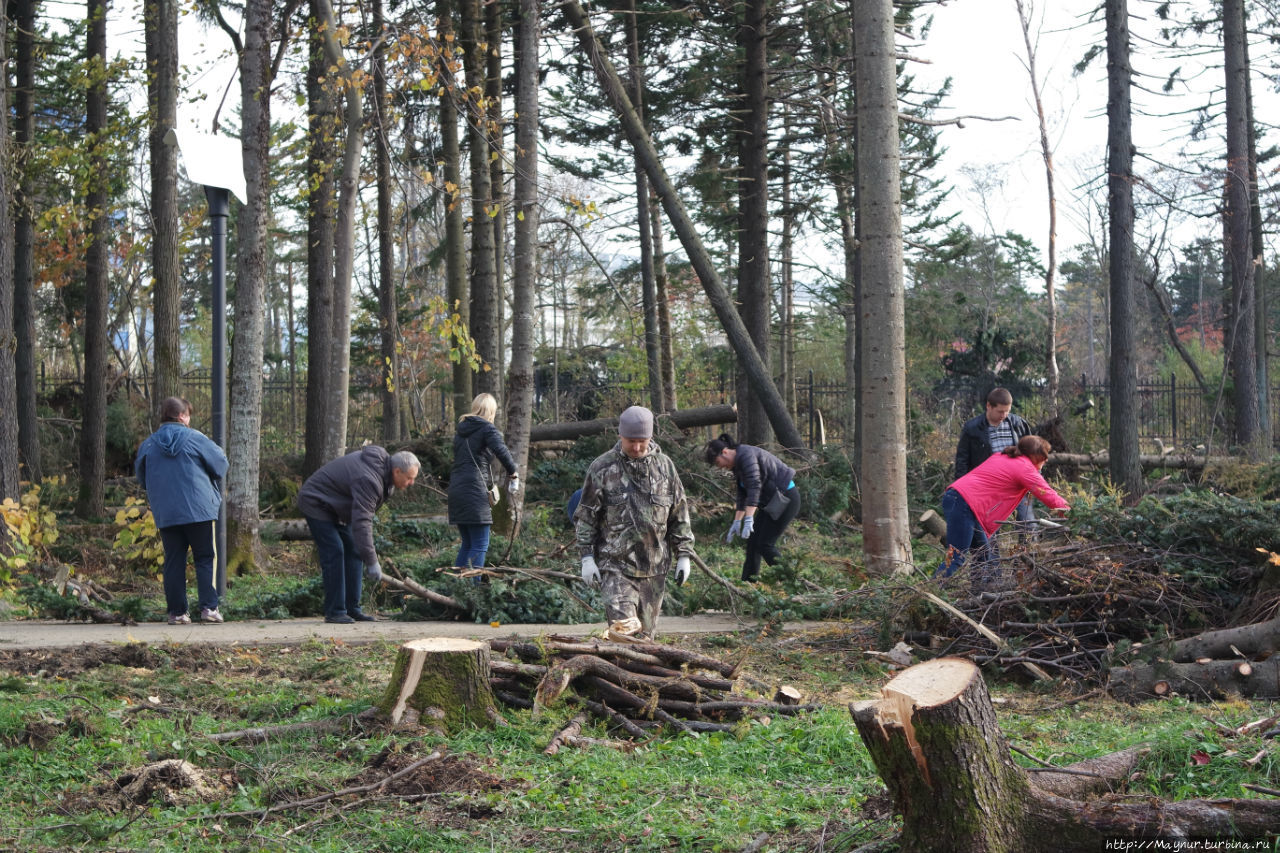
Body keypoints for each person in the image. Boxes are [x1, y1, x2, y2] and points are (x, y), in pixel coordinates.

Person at [574, 405, 694, 640]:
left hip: (654, 569)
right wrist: (587, 557)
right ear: (620, 435)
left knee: (645, 641)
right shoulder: (602, 468)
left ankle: (637, 677)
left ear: (651, 437)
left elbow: (679, 513)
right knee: (624, 635)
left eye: (643, 441)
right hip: (616, 567)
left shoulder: (665, 467)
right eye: (631, 441)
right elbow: (586, 516)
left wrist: (684, 555)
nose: (637, 447)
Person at [299, 446, 420, 624]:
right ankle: (335, 611)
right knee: (335, 551)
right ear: (397, 471)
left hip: (337, 507)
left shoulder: (384, 477)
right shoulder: (369, 479)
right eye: (409, 478)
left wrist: (367, 556)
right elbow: (363, 522)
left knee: (355, 550)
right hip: (316, 502)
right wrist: (372, 562)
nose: (411, 483)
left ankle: (352, 609)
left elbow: (361, 518)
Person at [135, 396, 229, 625]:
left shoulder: (148, 444)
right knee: (205, 557)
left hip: (167, 511)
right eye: (188, 414)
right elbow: (220, 464)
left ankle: (177, 613)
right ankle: (209, 608)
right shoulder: (196, 438)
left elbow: (142, 478)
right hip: (199, 509)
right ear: (181, 416)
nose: (189, 419)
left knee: (174, 560)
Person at [937, 434, 1069, 586]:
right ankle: (929, 594)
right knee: (957, 557)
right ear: (1034, 455)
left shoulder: (1002, 456)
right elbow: (1048, 494)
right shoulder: (1024, 468)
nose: (1046, 460)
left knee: (984, 555)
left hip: (960, 500)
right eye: (1044, 456)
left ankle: (979, 595)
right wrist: (1073, 513)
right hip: (964, 503)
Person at [704, 433, 801, 583]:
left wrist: (749, 519)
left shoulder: (746, 456)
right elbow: (743, 495)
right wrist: (737, 522)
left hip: (786, 499)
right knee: (753, 543)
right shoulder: (737, 465)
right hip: (772, 502)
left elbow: (755, 487)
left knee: (765, 544)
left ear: (724, 452)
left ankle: (791, 580)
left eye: (718, 462)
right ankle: (747, 584)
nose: (721, 467)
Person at [447, 393, 520, 574]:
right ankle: (472, 593)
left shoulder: (460, 432)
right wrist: (513, 472)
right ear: (491, 411)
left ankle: (458, 589)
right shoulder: (487, 429)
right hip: (474, 491)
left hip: (456, 491)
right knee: (480, 545)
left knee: (468, 544)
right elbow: (501, 450)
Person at [955, 387, 1037, 537]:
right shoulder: (972, 429)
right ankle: (990, 561)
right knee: (989, 532)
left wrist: (1033, 480)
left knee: (1028, 527)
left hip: (1017, 485)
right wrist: (963, 492)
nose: (1004, 415)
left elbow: (1032, 454)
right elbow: (962, 460)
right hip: (988, 488)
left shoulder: (1019, 424)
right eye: (1000, 411)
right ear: (988, 406)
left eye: (1007, 411)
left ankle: (1027, 558)